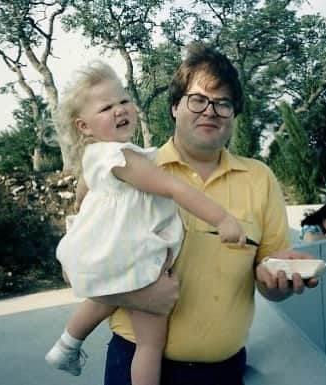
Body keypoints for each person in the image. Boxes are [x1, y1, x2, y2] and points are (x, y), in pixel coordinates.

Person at [98, 43, 320, 385]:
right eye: (198, 99)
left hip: (223, 371)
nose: (211, 111)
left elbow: (267, 276)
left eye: (223, 103)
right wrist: (132, 296)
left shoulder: (259, 178)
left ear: (233, 114)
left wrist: (280, 281)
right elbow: (82, 269)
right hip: (133, 362)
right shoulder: (134, 170)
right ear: (175, 107)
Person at [45, 62, 246, 385]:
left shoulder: (94, 157)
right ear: (84, 126)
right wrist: (222, 218)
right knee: (150, 344)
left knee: (102, 299)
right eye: (106, 107)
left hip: (109, 252)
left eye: (123, 101)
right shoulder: (126, 157)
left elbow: (83, 192)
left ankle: (67, 343)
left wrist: (85, 215)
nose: (119, 110)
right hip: (135, 257)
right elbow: (173, 188)